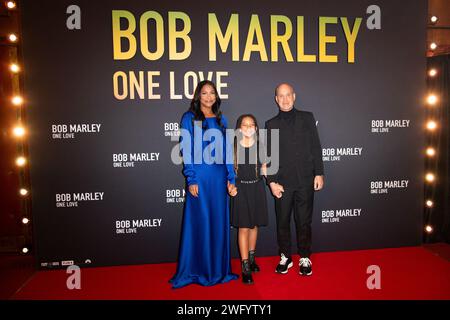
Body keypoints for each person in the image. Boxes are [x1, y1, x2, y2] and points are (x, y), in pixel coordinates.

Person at [170, 80, 238, 288]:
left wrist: (230, 178)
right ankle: (197, 270)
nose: (208, 97)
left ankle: (218, 270)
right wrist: (191, 178)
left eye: (212, 93)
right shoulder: (188, 118)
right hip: (199, 177)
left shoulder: (221, 119)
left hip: (218, 179)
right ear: (198, 96)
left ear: (216, 96)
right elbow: (187, 150)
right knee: (201, 222)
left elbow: (227, 151)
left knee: (218, 221)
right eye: (204, 93)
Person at [265, 83, 324, 276]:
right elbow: (269, 157)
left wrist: (319, 173)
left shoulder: (307, 118)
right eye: (280, 96)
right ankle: (285, 256)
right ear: (276, 99)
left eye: (288, 94)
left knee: (304, 221)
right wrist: (271, 182)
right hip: (282, 183)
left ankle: (305, 257)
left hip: (306, 180)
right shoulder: (271, 124)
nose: (284, 99)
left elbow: (316, 146)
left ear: (294, 96)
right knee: (282, 222)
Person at [230, 114, 269, 285]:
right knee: (243, 228)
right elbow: (228, 171)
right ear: (239, 128)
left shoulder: (261, 146)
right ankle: (245, 267)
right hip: (240, 190)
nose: (248, 127)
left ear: (256, 128)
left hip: (257, 188)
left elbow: (266, 169)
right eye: (244, 125)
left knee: (254, 225)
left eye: (251, 124)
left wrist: (273, 183)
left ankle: (252, 259)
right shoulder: (233, 148)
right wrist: (229, 186)